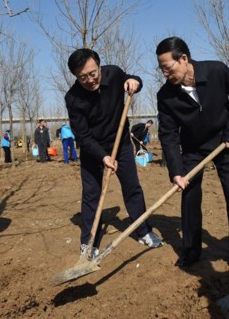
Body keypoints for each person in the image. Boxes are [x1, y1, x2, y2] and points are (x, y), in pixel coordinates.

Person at [155, 36, 229, 268]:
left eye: (168, 68)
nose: (166, 74)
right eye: (161, 70)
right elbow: (168, 134)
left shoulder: (216, 71)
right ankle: (190, 250)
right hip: (193, 148)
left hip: (224, 143)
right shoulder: (165, 95)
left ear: (184, 59)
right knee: (189, 195)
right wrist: (176, 171)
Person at [65, 48, 163, 257]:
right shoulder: (73, 98)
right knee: (91, 194)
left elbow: (132, 79)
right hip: (93, 150)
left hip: (121, 146)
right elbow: (82, 136)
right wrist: (103, 156)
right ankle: (88, 241)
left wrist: (134, 81)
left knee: (132, 187)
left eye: (93, 73)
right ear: (75, 76)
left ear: (99, 66)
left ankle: (143, 231)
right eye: (83, 77)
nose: (90, 80)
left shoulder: (114, 74)